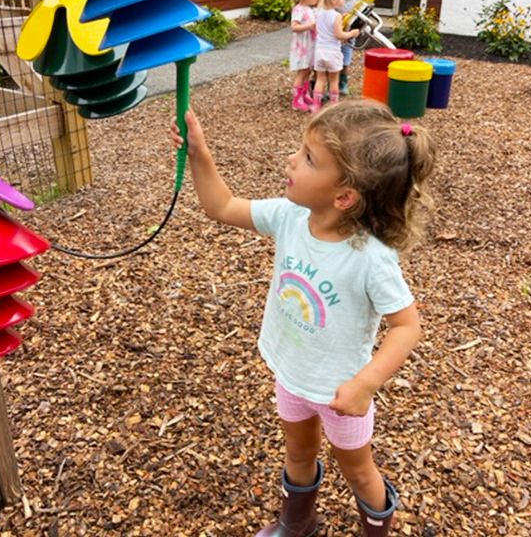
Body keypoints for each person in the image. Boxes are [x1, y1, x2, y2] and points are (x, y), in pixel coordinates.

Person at [170, 99, 436, 536]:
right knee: (297, 455)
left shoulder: (370, 258)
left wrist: (365, 384)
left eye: (309, 158)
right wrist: (200, 154)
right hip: (292, 374)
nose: (292, 159)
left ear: (344, 195)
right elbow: (221, 205)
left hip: (342, 394)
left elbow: (407, 326)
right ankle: (297, 525)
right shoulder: (291, 216)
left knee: (359, 472)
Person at [313, 0, 360, 112]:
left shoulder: (319, 12)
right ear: (334, 0)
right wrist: (352, 33)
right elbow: (339, 35)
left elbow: (325, 27)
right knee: (334, 81)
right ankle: (333, 107)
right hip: (332, 53)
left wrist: (342, 18)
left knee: (320, 79)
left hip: (320, 52)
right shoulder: (336, 16)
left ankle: (316, 106)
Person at [289, 0, 321, 111]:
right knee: (302, 73)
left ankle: (305, 94)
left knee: (307, 71)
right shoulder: (299, 9)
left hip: (310, 46)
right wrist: (310, 25)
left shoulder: (310, 9)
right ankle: (296, 100)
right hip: (302, 47)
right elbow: (294, 27)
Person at [338, 0, 361, 95]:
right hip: (336, 37)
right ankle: (332, 84)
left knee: (346, 61)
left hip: (349, 38)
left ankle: (343, 84)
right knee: (334, 63)